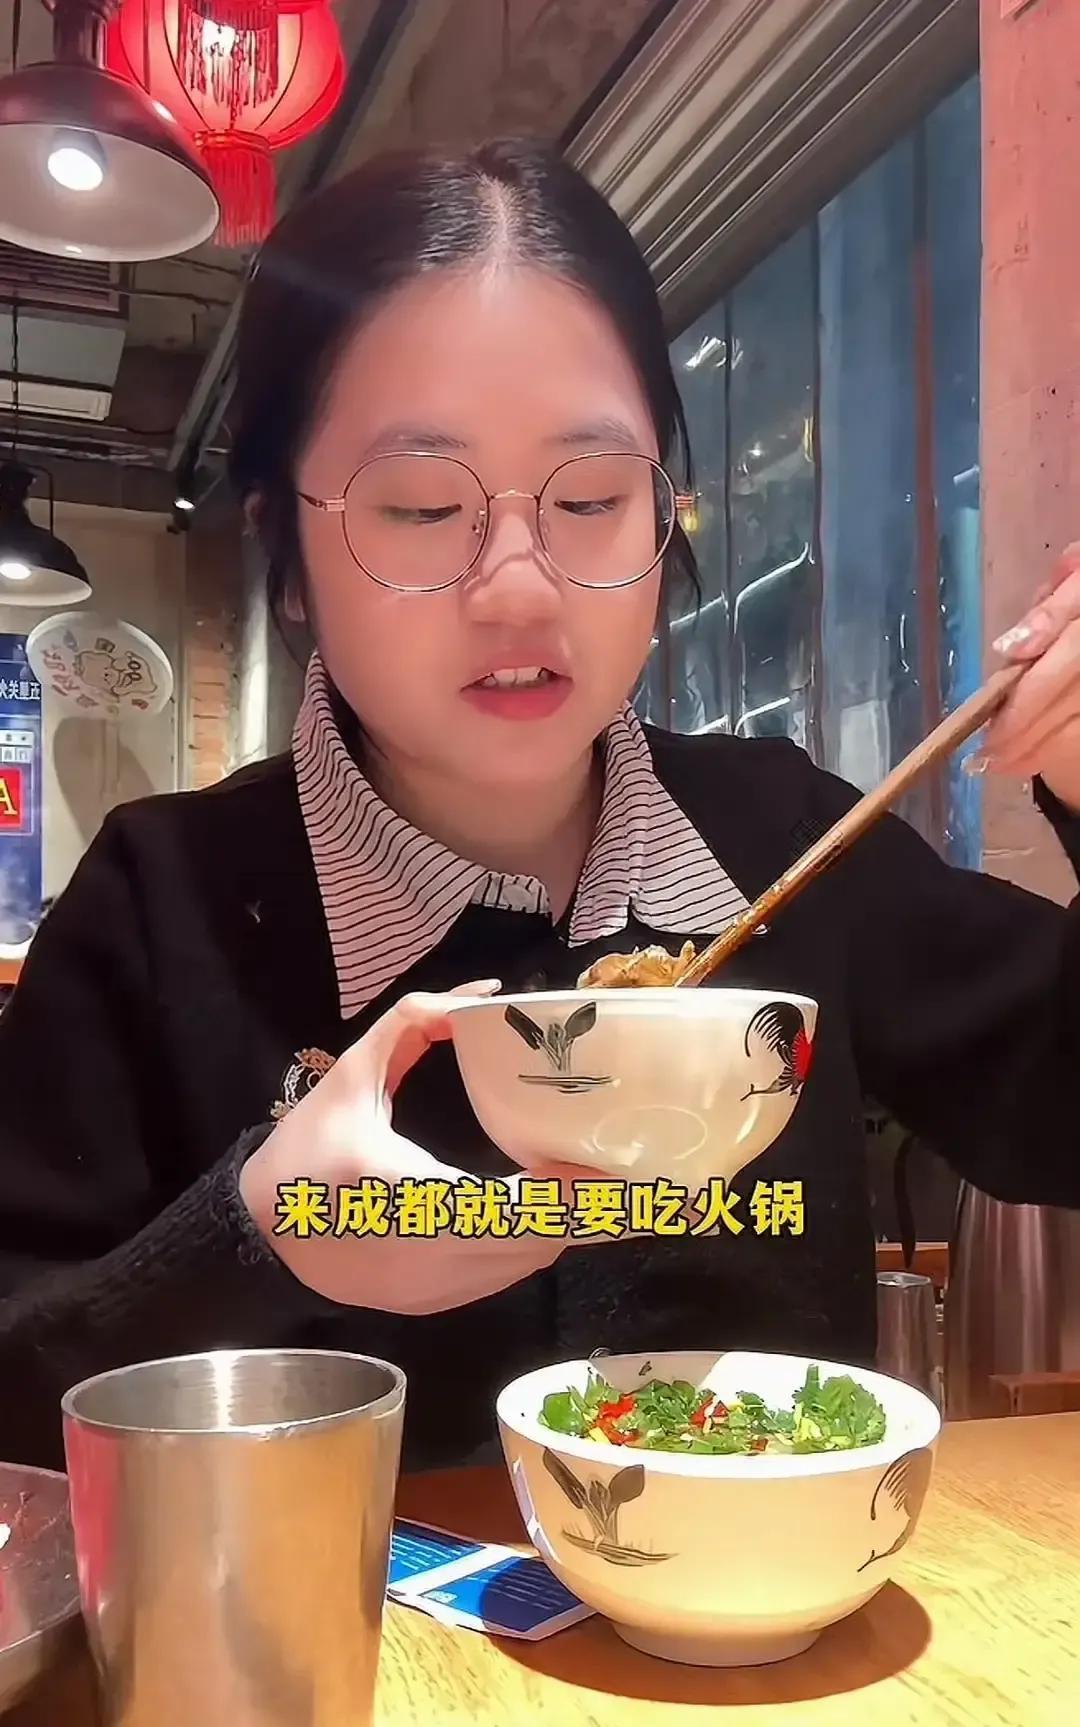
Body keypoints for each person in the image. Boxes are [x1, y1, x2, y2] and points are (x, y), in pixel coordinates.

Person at [0, 140, 1077, 1472]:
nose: (519, 585)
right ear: (286, 552)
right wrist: (258, 1233)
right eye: (418, 507)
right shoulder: (165, 908)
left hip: (777, 1608)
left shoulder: (785, 842)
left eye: (590, 498)